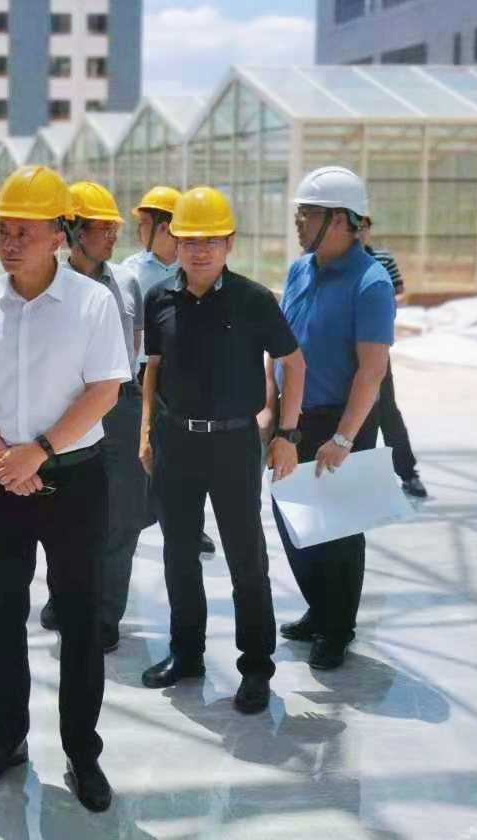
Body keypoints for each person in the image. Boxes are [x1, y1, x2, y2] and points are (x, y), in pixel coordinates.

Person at [0, 165, 128, 813]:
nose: (10, 242)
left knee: (79, 621)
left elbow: (105, 390)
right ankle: (8, 739)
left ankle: (82, 752)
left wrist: (40, 451)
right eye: (4, 230)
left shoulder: (92, 303)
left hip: (75, 480)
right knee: (0, 617)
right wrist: (5, 457)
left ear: (59, 235)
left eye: (24, 231)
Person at [136, 187, 306, 714]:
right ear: (175, 241)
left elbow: (293, 363)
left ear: (230, 242)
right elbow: (153, 370)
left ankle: (255, 668)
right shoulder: (159, 298)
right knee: (179, 553)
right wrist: (145, 432)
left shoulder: (254, 300)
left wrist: (287, 434)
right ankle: (186, 653)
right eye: (190, 240)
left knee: (245, 558)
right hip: (176, 440)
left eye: (211, 240)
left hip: (234, 443)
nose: (200, 250)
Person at [274, 166, 395, 671]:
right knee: (293, 519)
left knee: (338, 530)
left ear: (342, 220)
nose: (298, 222)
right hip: (293, 418)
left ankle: (336, 627)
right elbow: (282, 347)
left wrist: (344, 438)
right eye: (300, 212)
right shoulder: (299, 270)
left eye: (308, 213)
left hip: (339, 422)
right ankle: (319, 608)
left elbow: (372, 371)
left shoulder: (371, 283)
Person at [36, 181, 142, 653]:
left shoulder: (128, 283)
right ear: (74, 231)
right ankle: (63, 597)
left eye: (115, 227)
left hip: (119, 409)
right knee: (63, 515)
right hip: (64, 410)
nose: (113, 235)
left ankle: (105, 615)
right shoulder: (47, 287)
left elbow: (135, 345)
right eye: (103, 227)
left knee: (121, 518)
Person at [123, 185, 216, 555]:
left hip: (186, 376)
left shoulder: (195, 269)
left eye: (144, 223)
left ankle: (192, 527)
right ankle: (138, 518)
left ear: (165, 228)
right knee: (143, 448)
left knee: (189, 454)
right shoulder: (130, 272)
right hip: (142, 373)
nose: (138, 230)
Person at [357, 224, 426, 498]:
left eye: (364, 227)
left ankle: (408, 473)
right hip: (340, 349)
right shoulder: (323, 258)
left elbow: (401, 292)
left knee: (386, 410)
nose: (359, 232)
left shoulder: (381, 259)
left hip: (374, 347)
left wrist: (382, 300)